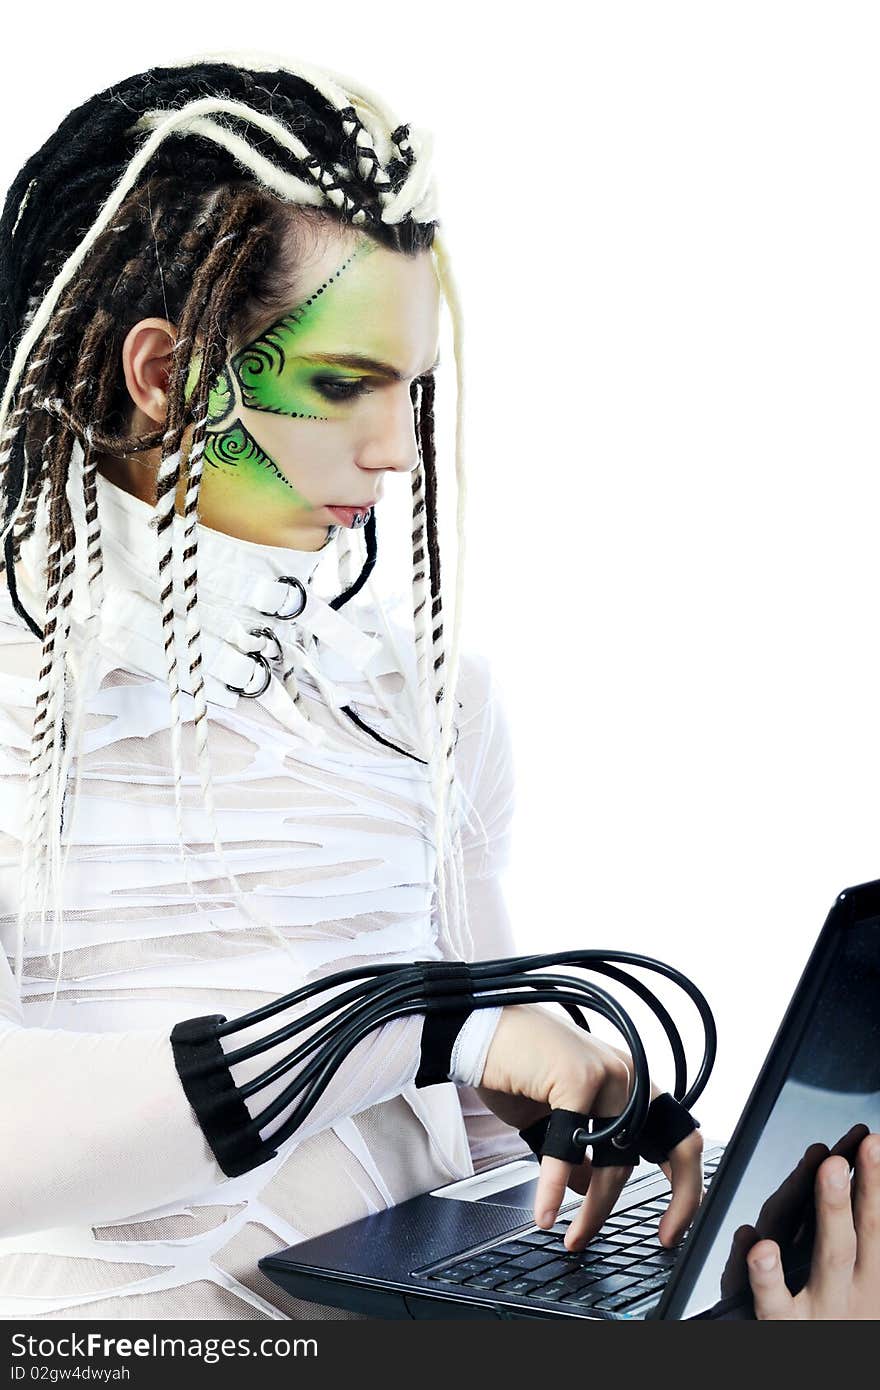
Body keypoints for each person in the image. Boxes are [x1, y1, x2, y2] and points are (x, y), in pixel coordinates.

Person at [0, 53, 873, 1322]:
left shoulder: (429, 703)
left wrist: (578, 1110)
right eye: (341, 382)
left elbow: (466, 1107)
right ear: (163, 371)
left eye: (408, 387)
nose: (394, 451)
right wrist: (421, 1028)